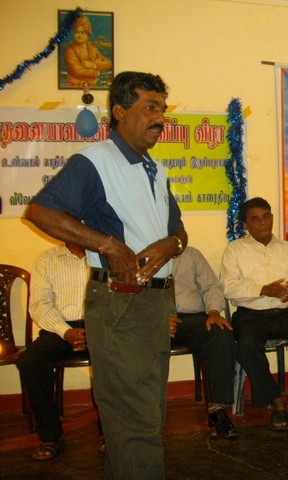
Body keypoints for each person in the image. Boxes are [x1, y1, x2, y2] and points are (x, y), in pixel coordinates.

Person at [24, 71, 187, 479]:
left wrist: (172, 244)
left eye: (162, 109)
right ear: (120, 111)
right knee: (135, 423)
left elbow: (178, 229)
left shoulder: (156, 169)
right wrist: (110, 246)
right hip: (121, 302)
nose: (160, 118)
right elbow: (41, 212)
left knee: (143, 418)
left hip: (155, 303)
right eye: (150, 108)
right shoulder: (95, 161)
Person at [220, 197, 288, 432]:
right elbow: (229, 288)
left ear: (272, 217)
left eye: (266, 216)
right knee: (246, 344)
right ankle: (274, 398)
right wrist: (263, 289)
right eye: (255, 219)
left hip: (284, 312)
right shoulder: (235, 250)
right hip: (251, 314)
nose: (263, 223)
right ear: (246, 225)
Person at [16, 243, 103, 461]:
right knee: (31, 361)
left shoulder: (105, 256)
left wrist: (95, 329)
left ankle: (108, 431)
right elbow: (40, 305)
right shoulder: (47, 259)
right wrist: (66, 332)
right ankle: (50, 434)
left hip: (100, 326)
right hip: (60, 329)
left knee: (116, 356)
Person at [169, 245, 237, 439]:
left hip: (192, 318)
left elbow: (211, 286)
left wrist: (213, 312)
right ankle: (139, 417)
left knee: (221, 334)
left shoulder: (191, 254)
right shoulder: (139, 253)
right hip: (155, 320)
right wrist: (156, 318)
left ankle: (217, 411)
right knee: (134, 341)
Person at [64, 15, 112, 88]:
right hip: (73, 87)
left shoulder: (93, 50)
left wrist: (93, 65)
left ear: (87, 34)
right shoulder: (70, 50)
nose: (79, 35)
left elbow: (108, 63)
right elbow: (77, 71)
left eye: (82, 32)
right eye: (77, 32)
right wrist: (97, 73)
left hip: (92, 86)